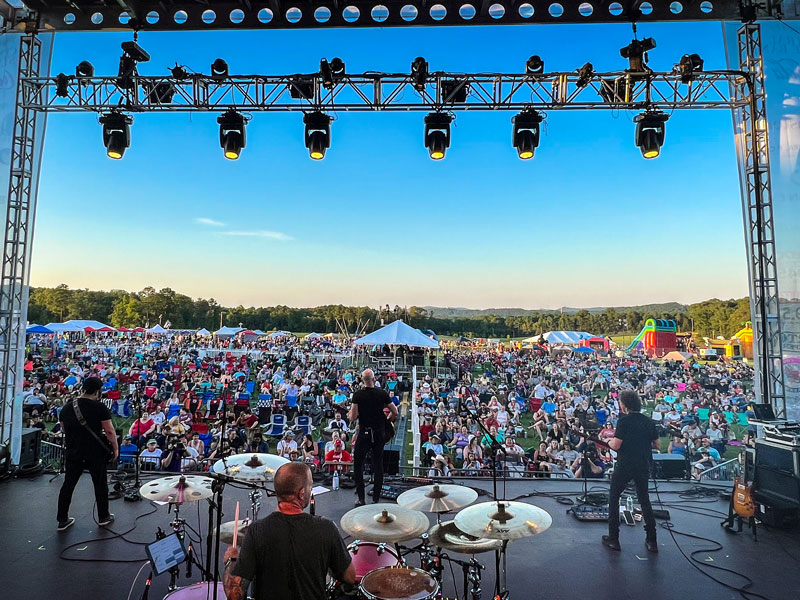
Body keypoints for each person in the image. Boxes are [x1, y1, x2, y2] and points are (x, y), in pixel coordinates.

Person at [223, 462, 356, 600]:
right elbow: (350, 577)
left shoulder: (256, 531)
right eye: (310, 485)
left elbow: (234, 595)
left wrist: (231, 561)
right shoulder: (326, 528)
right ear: (302, 493)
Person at [600, 390, 659, 553]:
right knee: (644, 499)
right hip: (643, 464)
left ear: (624, 404)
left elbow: (616, 445)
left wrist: (608, 441)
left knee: (614, 497)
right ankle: (652, 541)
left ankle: (614, 538)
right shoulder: (649, 421)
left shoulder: (624, 422)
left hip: (625, 464)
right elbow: (656, 445)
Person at [56, 377, 118, 531]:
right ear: (98, 391)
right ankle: (103, 516)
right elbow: (109, 431)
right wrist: (115, 448)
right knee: (100, 484)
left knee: (68, 485)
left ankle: (62, 519)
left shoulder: (67, 408)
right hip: (94, 452)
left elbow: (63, 428)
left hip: (73, 451)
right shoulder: (99, 407)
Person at [348, 369, 398, 506]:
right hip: (379, 433)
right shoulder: (382, 393)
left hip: (364, 433)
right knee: (378, 464)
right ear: (374, 379)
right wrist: (386, 421)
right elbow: (395, 411)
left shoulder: (358, 395)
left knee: (358, 464)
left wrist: (350, 414)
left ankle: (361, 498)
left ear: (362, 380)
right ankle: (376, 497)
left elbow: (352, 417)